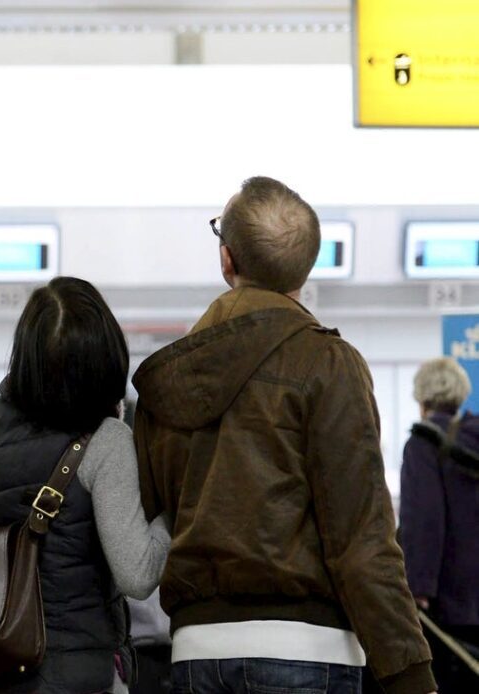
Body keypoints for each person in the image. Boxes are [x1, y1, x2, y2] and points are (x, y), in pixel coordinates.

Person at [133, 176, 434, 694]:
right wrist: (409, 671)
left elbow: (153, 513)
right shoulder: (328, 364)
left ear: (227, 260)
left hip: (194, 654)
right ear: (307, 268)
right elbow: (360, 538)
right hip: (307, 653)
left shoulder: (168, 376)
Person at [0, 276, 170, 694]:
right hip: (75, 675)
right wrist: (175, 514)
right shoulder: (105, 441)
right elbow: (138, 575)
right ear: (106, 358)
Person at [401, 357, 479, 692]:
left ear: (421, 398)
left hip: (448, 602)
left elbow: (424, 519)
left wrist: (418, 589)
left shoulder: (423, 443)